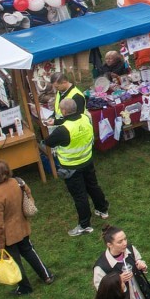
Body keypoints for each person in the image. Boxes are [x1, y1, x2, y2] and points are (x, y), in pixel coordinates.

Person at [45, 97, 110, 236]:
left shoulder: (63, 130)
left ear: (63, 111)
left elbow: (48, 142)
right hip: (87, 160)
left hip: (71, 167)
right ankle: (102, 209)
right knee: (93, 186)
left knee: (80, 196)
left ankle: (85, 225)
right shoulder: (85, 118)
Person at [0, 160, 53, 296]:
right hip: (22, 227)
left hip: (8, 236)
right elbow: (28, 194)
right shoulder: (16, 182)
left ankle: (25, 287)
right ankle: (46, 275)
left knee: (15, 262)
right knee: (30, 251)